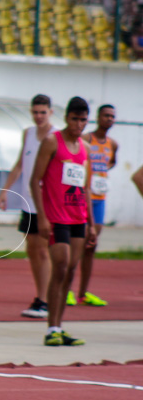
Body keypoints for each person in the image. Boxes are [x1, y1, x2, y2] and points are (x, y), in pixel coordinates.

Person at [29, 97, 95, 348]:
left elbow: (85, 187)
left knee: (70, 271)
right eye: (75, 119)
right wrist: (42, 216)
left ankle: (59, 326)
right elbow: (35, 180)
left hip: (78, 216)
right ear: (66, 118)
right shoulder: (51, 142)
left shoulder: (85, 148)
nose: (79, 124)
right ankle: (51, 328)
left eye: (83, 120)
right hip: (56, 217)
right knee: (60, 265)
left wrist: (90, 222)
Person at [0, 95, 55, 319]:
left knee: (42, 249)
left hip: (46, 201)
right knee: (32, 249)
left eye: (43, 112)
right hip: (27, 200)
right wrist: (5, 191)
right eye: (35, 112)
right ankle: (42, 296)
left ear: (50, 112)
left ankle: (45, 299)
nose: (38, 116)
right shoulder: (28, 133)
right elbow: (20, 164)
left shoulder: (55, 136)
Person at [70, 104, 117, 307]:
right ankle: (67, 290)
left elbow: (111, 163)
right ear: (97, 117)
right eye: (106, 115)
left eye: (112, 116)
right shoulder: (86, 139)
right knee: (75, 247)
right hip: (82, 198)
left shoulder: (113, 144)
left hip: (100, 199)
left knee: (91, 245)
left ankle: (83, 293)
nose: (109, 119)